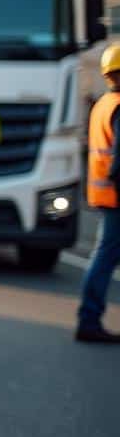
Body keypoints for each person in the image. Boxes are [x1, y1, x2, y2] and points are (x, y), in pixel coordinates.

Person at [78, 43, 120, 344]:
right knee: (104, 257)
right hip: (117, 196)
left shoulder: (104, 104)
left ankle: (89, 319)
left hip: (106, 196)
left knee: (102, 256)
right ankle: (89, 320)